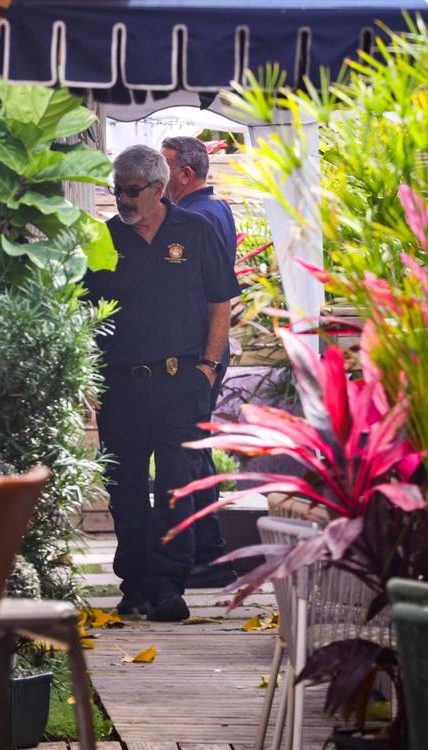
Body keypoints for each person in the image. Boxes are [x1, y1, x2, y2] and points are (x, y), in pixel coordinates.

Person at [83, 145, 240, 622]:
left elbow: (220, 302)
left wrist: (209, 367)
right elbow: (83, 312)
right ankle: (134, 584)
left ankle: (169, 586)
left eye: (131, 191)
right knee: (125, 487)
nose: (122, 200)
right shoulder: (103, 239)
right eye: (117, 191)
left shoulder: (196, 230)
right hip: (121, 385)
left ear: (157, 187)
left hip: (181, 383)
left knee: (178, 485)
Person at [160, 135, 241, 588]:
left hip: (199, 352)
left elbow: (213, 296)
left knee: (188, 453)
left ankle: (205, 556)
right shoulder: (218, 210)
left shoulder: (193, 218)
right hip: (200, 350)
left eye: (163, 168)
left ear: (185, 174)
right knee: (193, 450)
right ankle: (209, 555)